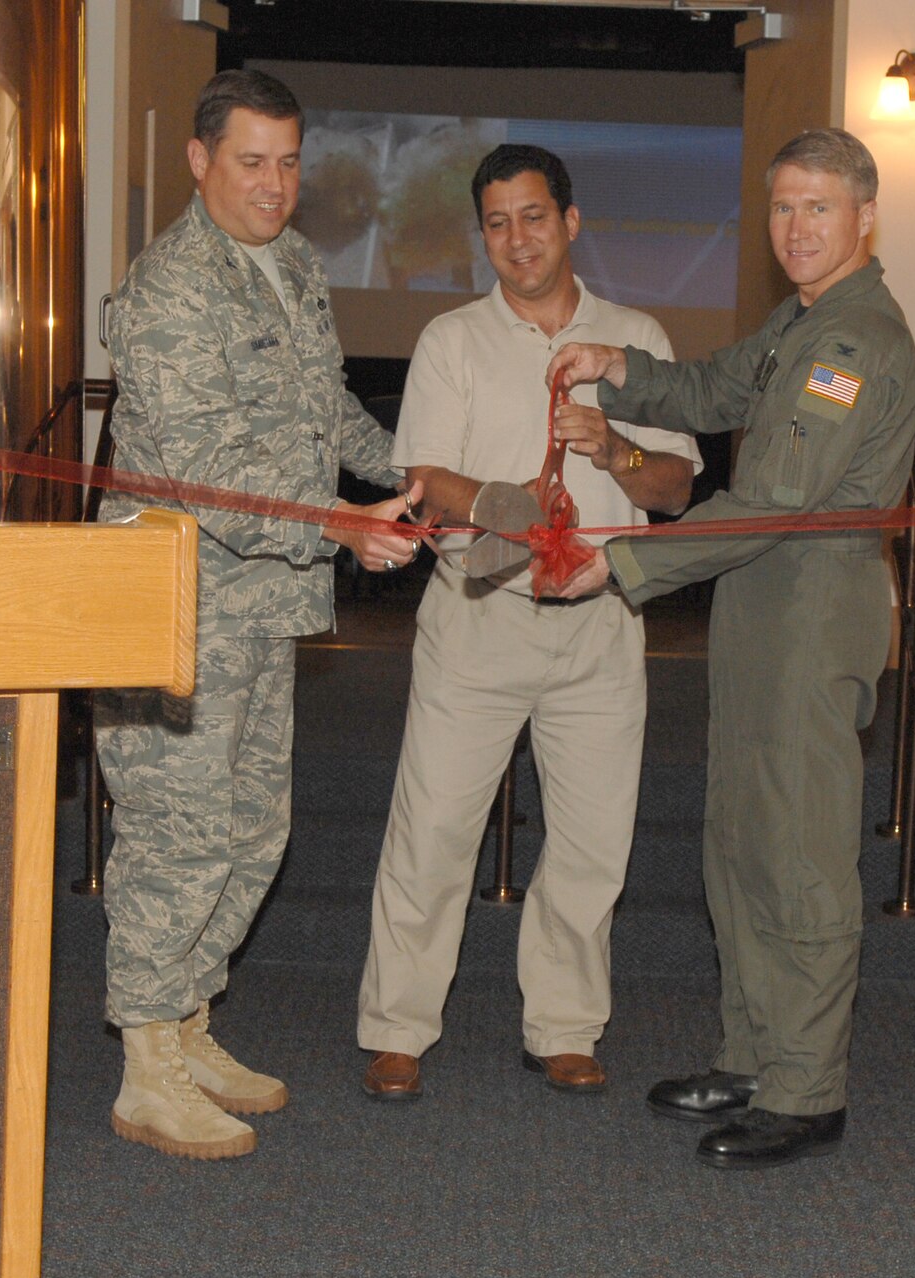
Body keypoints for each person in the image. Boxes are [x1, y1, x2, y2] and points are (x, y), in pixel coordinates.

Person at [545, 128, 915, 1169]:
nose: (795, 228)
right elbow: (713, 391)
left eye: (817, 208)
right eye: (781, 207)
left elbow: (771, 503)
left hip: (808, 617)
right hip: (761, 615)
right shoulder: (804, 320)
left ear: (861, 218)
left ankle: (806, 1088)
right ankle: (755, 1056)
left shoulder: (853, 342)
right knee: (741, 843)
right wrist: (615, 368)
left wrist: (622, 566)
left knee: (797, 853)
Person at [96, 70, 419, 1161]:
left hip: (262, 604)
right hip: (172, 606)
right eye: (250, 161)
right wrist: (337, 522)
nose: (274, 185)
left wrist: (409, 472)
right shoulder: (170, 290)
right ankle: (145, 1065)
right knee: (173, 839)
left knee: (248, 832)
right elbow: (205, 469)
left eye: (287, 162)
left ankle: (188, 1026)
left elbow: (321, 404)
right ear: (198, 162)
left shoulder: (288, 265)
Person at [356, 146, 697, 1102]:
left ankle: (563, 1026)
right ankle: (397, 1027)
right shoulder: (450, 339)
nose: (518, 239)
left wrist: (616, 446)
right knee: (431, 833)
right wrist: (526, 512)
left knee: (592, 844)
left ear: (572, 221)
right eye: (498, 223)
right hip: (481, 614)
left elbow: (673, 485)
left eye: (535, 217)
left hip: (600, 624)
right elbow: (426, 476)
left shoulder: (635, 338)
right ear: (483, 236)